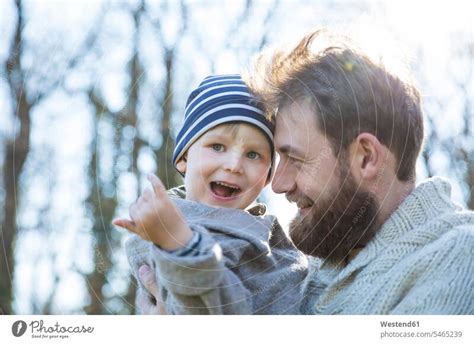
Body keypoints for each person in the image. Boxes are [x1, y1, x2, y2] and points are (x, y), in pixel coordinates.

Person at [137, 29, 474, 314]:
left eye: (295, 158)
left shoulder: (456, 260)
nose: (278, 184)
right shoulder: (307, 273)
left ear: (367, 157)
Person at [113, 74, 308, 315]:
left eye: (253, 154)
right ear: (184, 157)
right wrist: (181, 245)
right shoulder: (167, 233)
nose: (234, 165)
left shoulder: (273, 238)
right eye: (217, 147)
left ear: (267, 176)